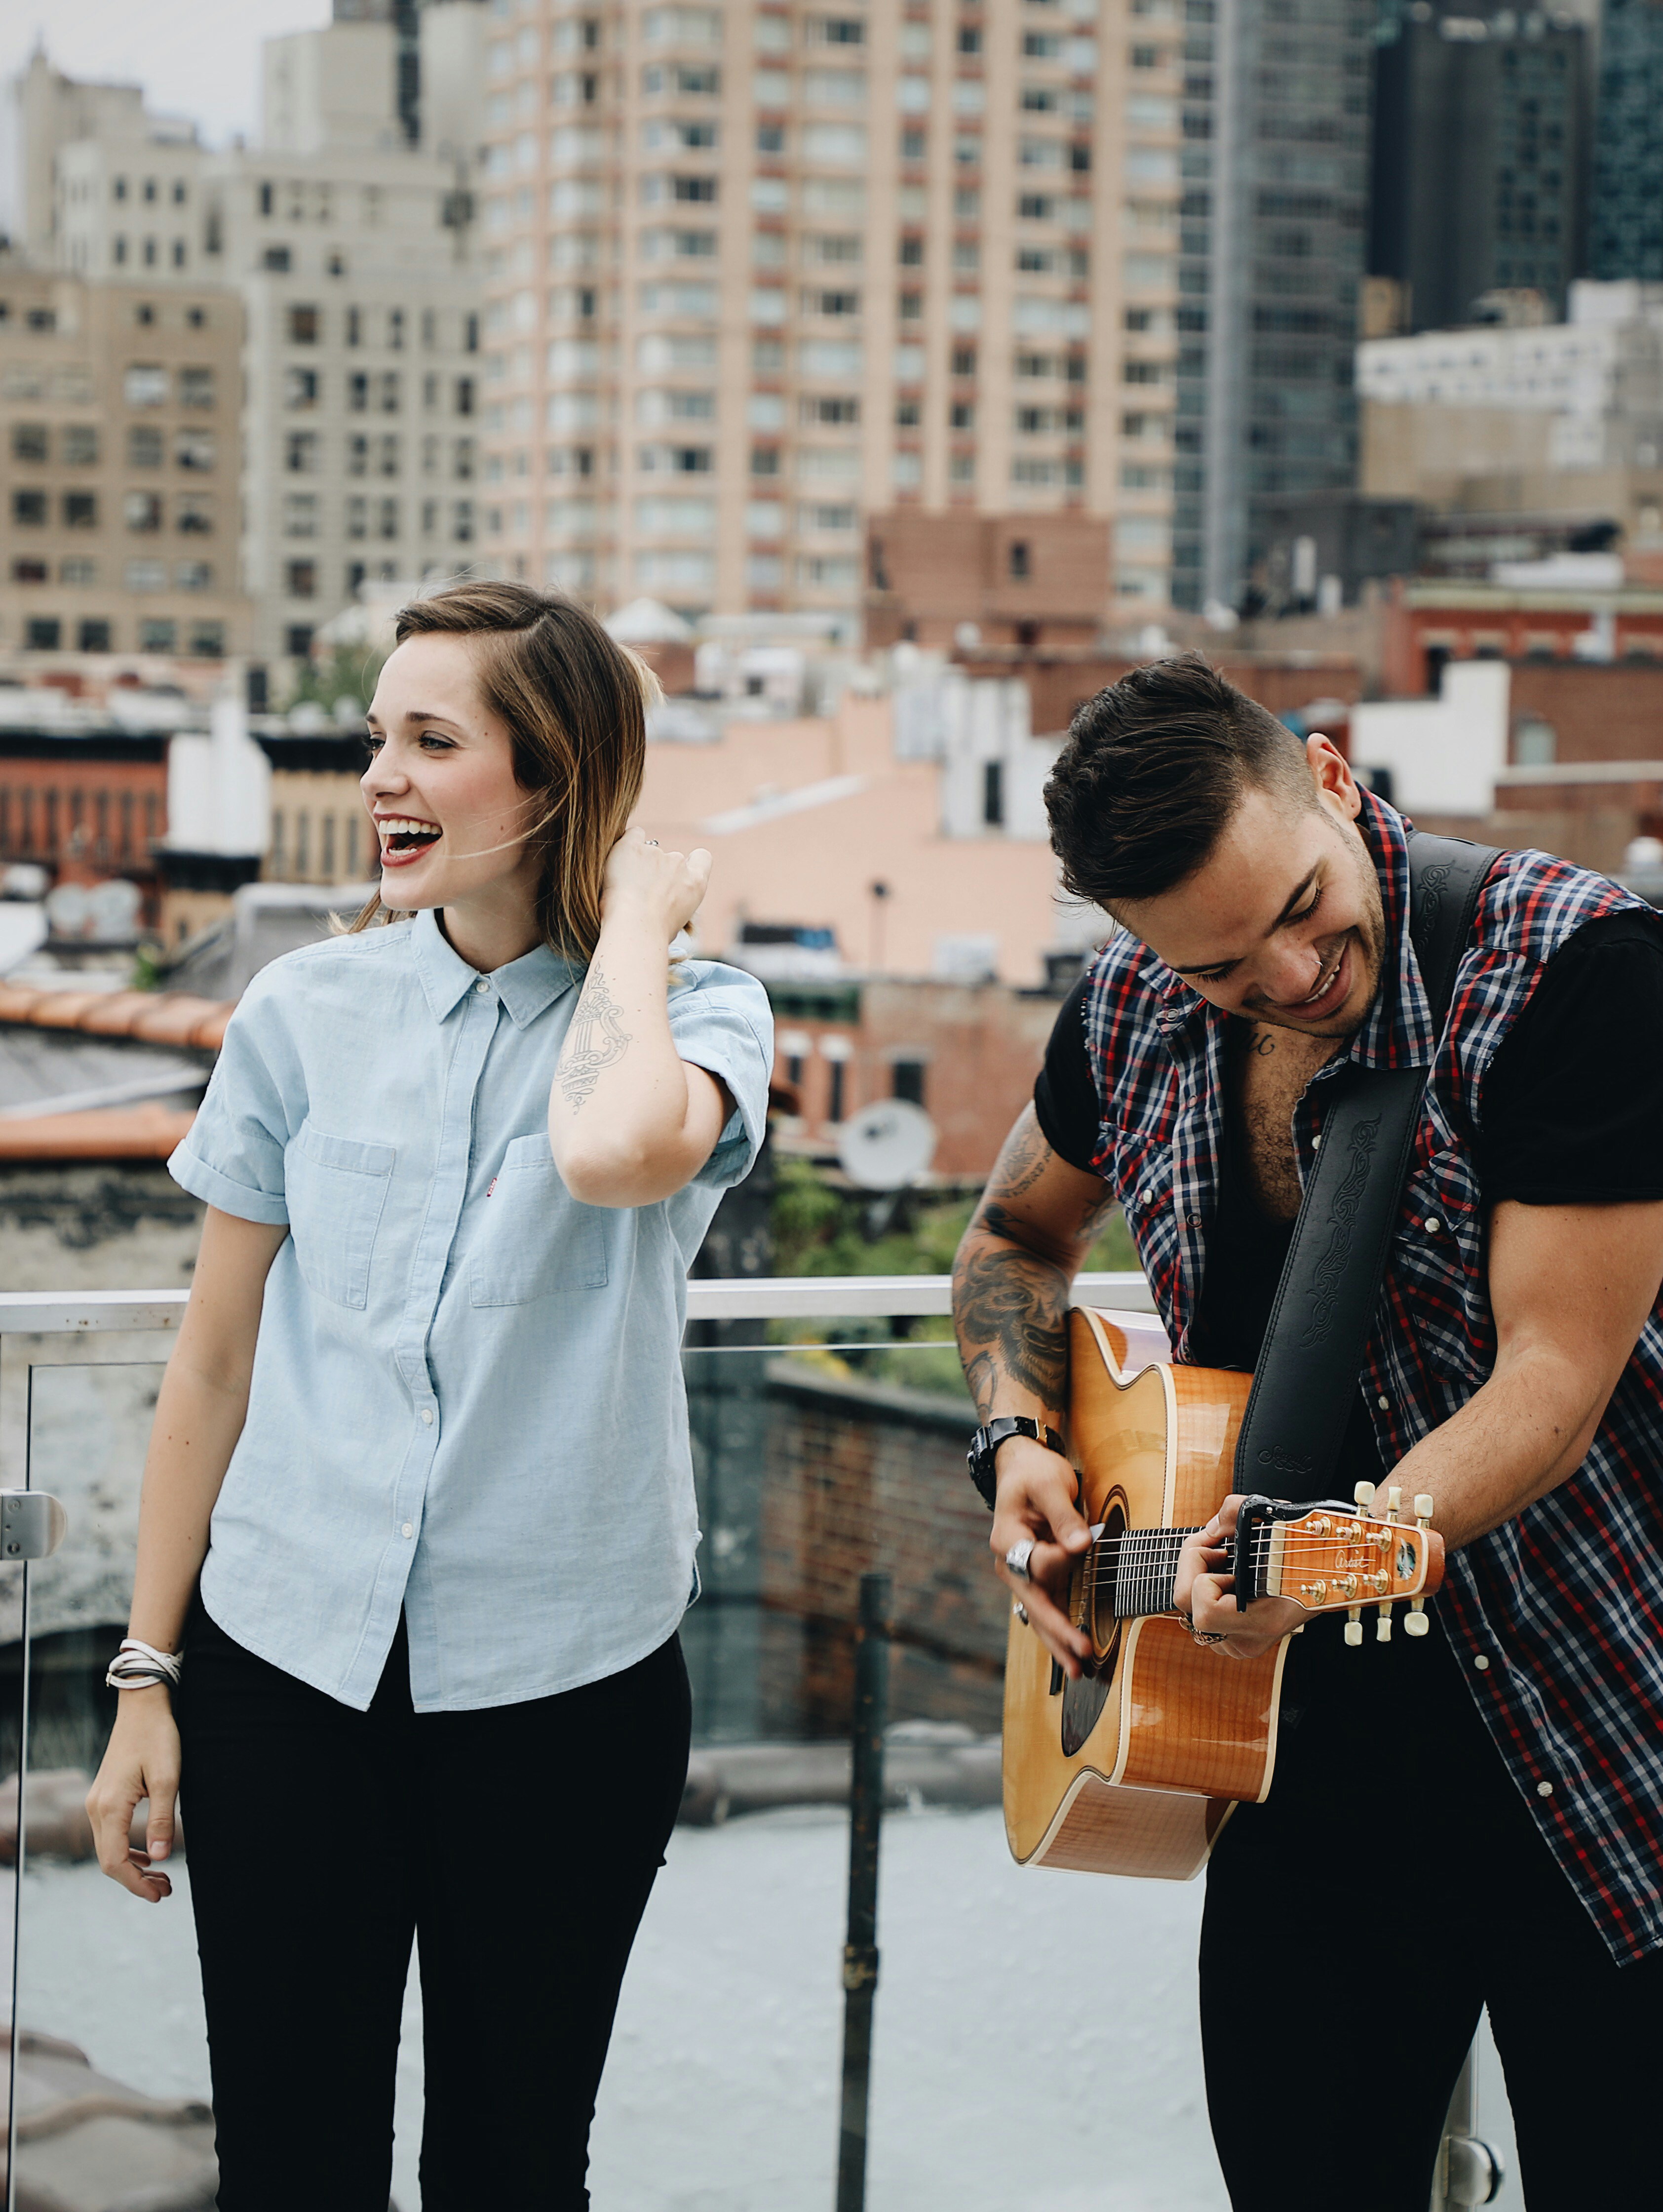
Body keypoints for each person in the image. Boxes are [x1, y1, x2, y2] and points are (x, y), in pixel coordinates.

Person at [85, 580, 773, 2211]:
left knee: (514, 2165)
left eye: (432, 741)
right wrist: (141, 1676)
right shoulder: (304, 1012)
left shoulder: (695, 1016)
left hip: (565, 1690)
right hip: (285, 1665)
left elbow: (612, 1152)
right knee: (287, 2160)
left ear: (550, 782)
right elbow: (214, 1361)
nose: (381, 776)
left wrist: (641, 918)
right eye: (376, 737)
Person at [952, 654, 1663, 2211]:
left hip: (1605, 1726)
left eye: (1295, 909)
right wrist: (1014, 1446)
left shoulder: (1568, 966)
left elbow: (1554, 1379)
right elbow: (1011, 1237)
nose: (1283, 978)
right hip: (1284, 1755)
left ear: (1329, 778)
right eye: (1218, 965)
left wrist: (1322, 1557)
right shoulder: (1132, 1006)